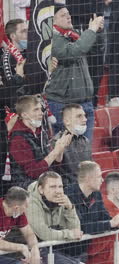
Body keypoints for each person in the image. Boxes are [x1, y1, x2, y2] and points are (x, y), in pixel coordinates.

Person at [45, 4, 104, 141]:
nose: (68, 16)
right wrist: (91, 31)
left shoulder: (74, 35)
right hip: (63, 104)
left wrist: (98, 32)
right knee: (66, 151)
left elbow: (95, 50)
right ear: (51, 21)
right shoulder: (51, 40)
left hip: (85, 103)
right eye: (63, 15)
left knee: (84, 150)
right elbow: (72, 52)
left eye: (68, 14)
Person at [63, 161, 119, 259]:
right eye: (99, 176)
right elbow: (81, 226)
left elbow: (105, 217)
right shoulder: (69, 195)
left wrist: (118, 222)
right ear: (88, 178)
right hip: (65, 253)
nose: (102, 180)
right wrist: (110, 224)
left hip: (83, 252)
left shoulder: (97, 194)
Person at [9, 95, 72, 189]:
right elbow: (33, 172)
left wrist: (60, 149)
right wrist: (55, 152)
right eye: (36, 110)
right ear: (24, 115)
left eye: (41, 109)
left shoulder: (41, 132)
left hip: (45, 180)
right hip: (28, 187)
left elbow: (53, 165)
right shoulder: (18, 139)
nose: (41, 113)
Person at [25, 172, 82, 263]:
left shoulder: (60, 199)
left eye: (60, 187)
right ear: (41, 189)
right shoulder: (31, 202)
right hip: (26, 250)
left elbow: (76, 229)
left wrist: (69, 208)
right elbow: (44, 233)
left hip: (48, 247)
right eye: (53, 187)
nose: (58, 191)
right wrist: (70, 234)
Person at [0, 19, 28, 194]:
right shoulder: (8, 56)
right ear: (12, 35)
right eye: (24, 31)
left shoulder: (28, 53)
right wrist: (18, 78)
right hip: (12, 115)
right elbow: (8, 97)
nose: (27, 35)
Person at [51, 104, 92, 186]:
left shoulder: (86, 140)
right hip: (68, 189)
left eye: (84, 116)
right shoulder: (56, 142)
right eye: (79, 116)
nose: (85, 119)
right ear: (67, 121)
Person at [0, 186, 40, 264]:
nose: (27, 208)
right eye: (26, 206)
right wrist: (21, 247)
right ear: (16, 208)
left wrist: (35, 250)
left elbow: (29, 234)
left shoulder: (18, 213)